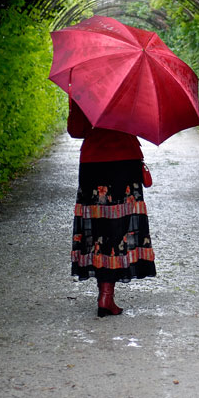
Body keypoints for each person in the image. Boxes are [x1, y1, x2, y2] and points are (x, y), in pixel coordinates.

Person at [67, 98, 156, 316]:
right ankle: (107, 295)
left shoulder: (83, 86)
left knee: (97, 228)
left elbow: (76, 130)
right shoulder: (134, 86)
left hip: (92, 163)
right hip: (124, 161)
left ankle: (104, 292)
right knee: (120, 227)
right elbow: (145, 125)